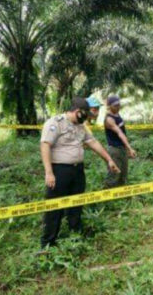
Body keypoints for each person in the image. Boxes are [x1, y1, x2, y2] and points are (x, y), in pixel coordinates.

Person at [40, 97, 120, 249]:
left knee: (76, 204)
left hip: (77, 171)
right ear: (77, 112)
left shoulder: (81, 126)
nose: (87, 118)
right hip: (59, 170)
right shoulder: (55, 123)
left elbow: (93, 142)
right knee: (54, 207)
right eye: (85, 114)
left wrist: (108, 160)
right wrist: (49, 173)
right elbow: (45, 145)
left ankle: (75, 235)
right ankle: (48, 243)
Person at [104, 95, 136, 188]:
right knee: (113, 175)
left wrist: (126, 149)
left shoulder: (117, 114)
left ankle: (120, 196)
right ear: (109, 106)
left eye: (119, 105)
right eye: (115, 105)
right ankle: (107, 196)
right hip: (114, 150)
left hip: (122, 149)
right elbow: (120, 133)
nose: (118, 107)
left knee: (123, 174)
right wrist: (130, 148)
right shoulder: (109, 119)